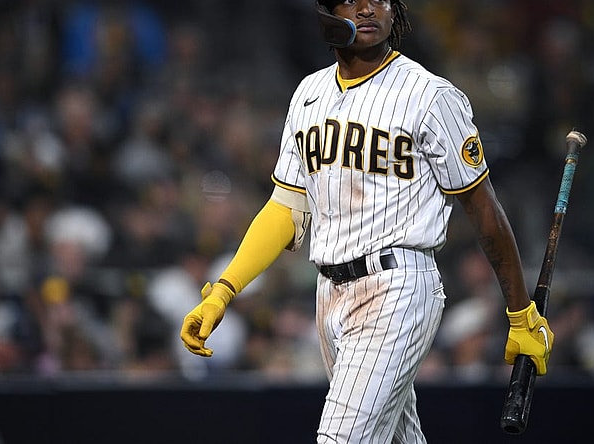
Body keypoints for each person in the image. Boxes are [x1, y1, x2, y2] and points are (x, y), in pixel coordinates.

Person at [180, 1, 554, 442]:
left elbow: (484, 209)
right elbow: (286, 206)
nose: (368, 8)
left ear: (395, 13)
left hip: (398, 286)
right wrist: (225, 290)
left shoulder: (429, 94)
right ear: (326, 13)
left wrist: (518, 311)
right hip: (329, 293)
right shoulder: (309, 94)